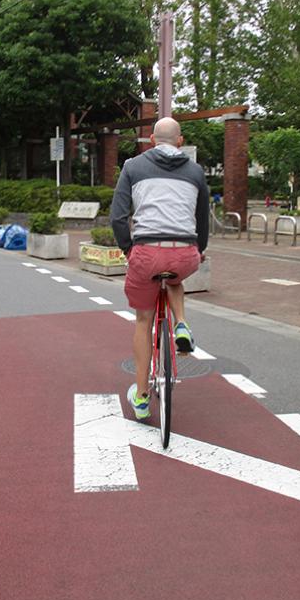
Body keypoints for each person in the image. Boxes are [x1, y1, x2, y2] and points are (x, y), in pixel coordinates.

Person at [110, 117, 210, 420]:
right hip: (184, 254)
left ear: (152, 140)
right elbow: (202, 217)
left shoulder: (132, 167)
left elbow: (117, 216)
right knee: (175, 279)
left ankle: (141, 398)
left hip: (146, 253)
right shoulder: (196, 171)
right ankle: (181, 324)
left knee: (144, 320)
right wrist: (199, 250)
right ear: (180, 141)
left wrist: (129, 248)